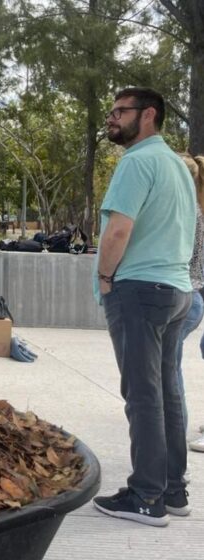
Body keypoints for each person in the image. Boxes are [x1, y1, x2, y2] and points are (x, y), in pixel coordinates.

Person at [91, 87, 196, 526]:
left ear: (148, 115)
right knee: (167, 392)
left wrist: (104, 278)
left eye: (121, 111)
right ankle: (172, 490)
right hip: (176, 290)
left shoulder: (136, 162)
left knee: (143, 395)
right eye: (111, 110)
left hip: (139, 289)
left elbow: (118, 231)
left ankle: (146, 496)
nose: (112, 119)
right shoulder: (177, 165)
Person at [179, 154, 204, 455]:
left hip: (190, 291)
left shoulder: (192, 213)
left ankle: (173, 430)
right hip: (195, 292)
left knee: (168, 367)